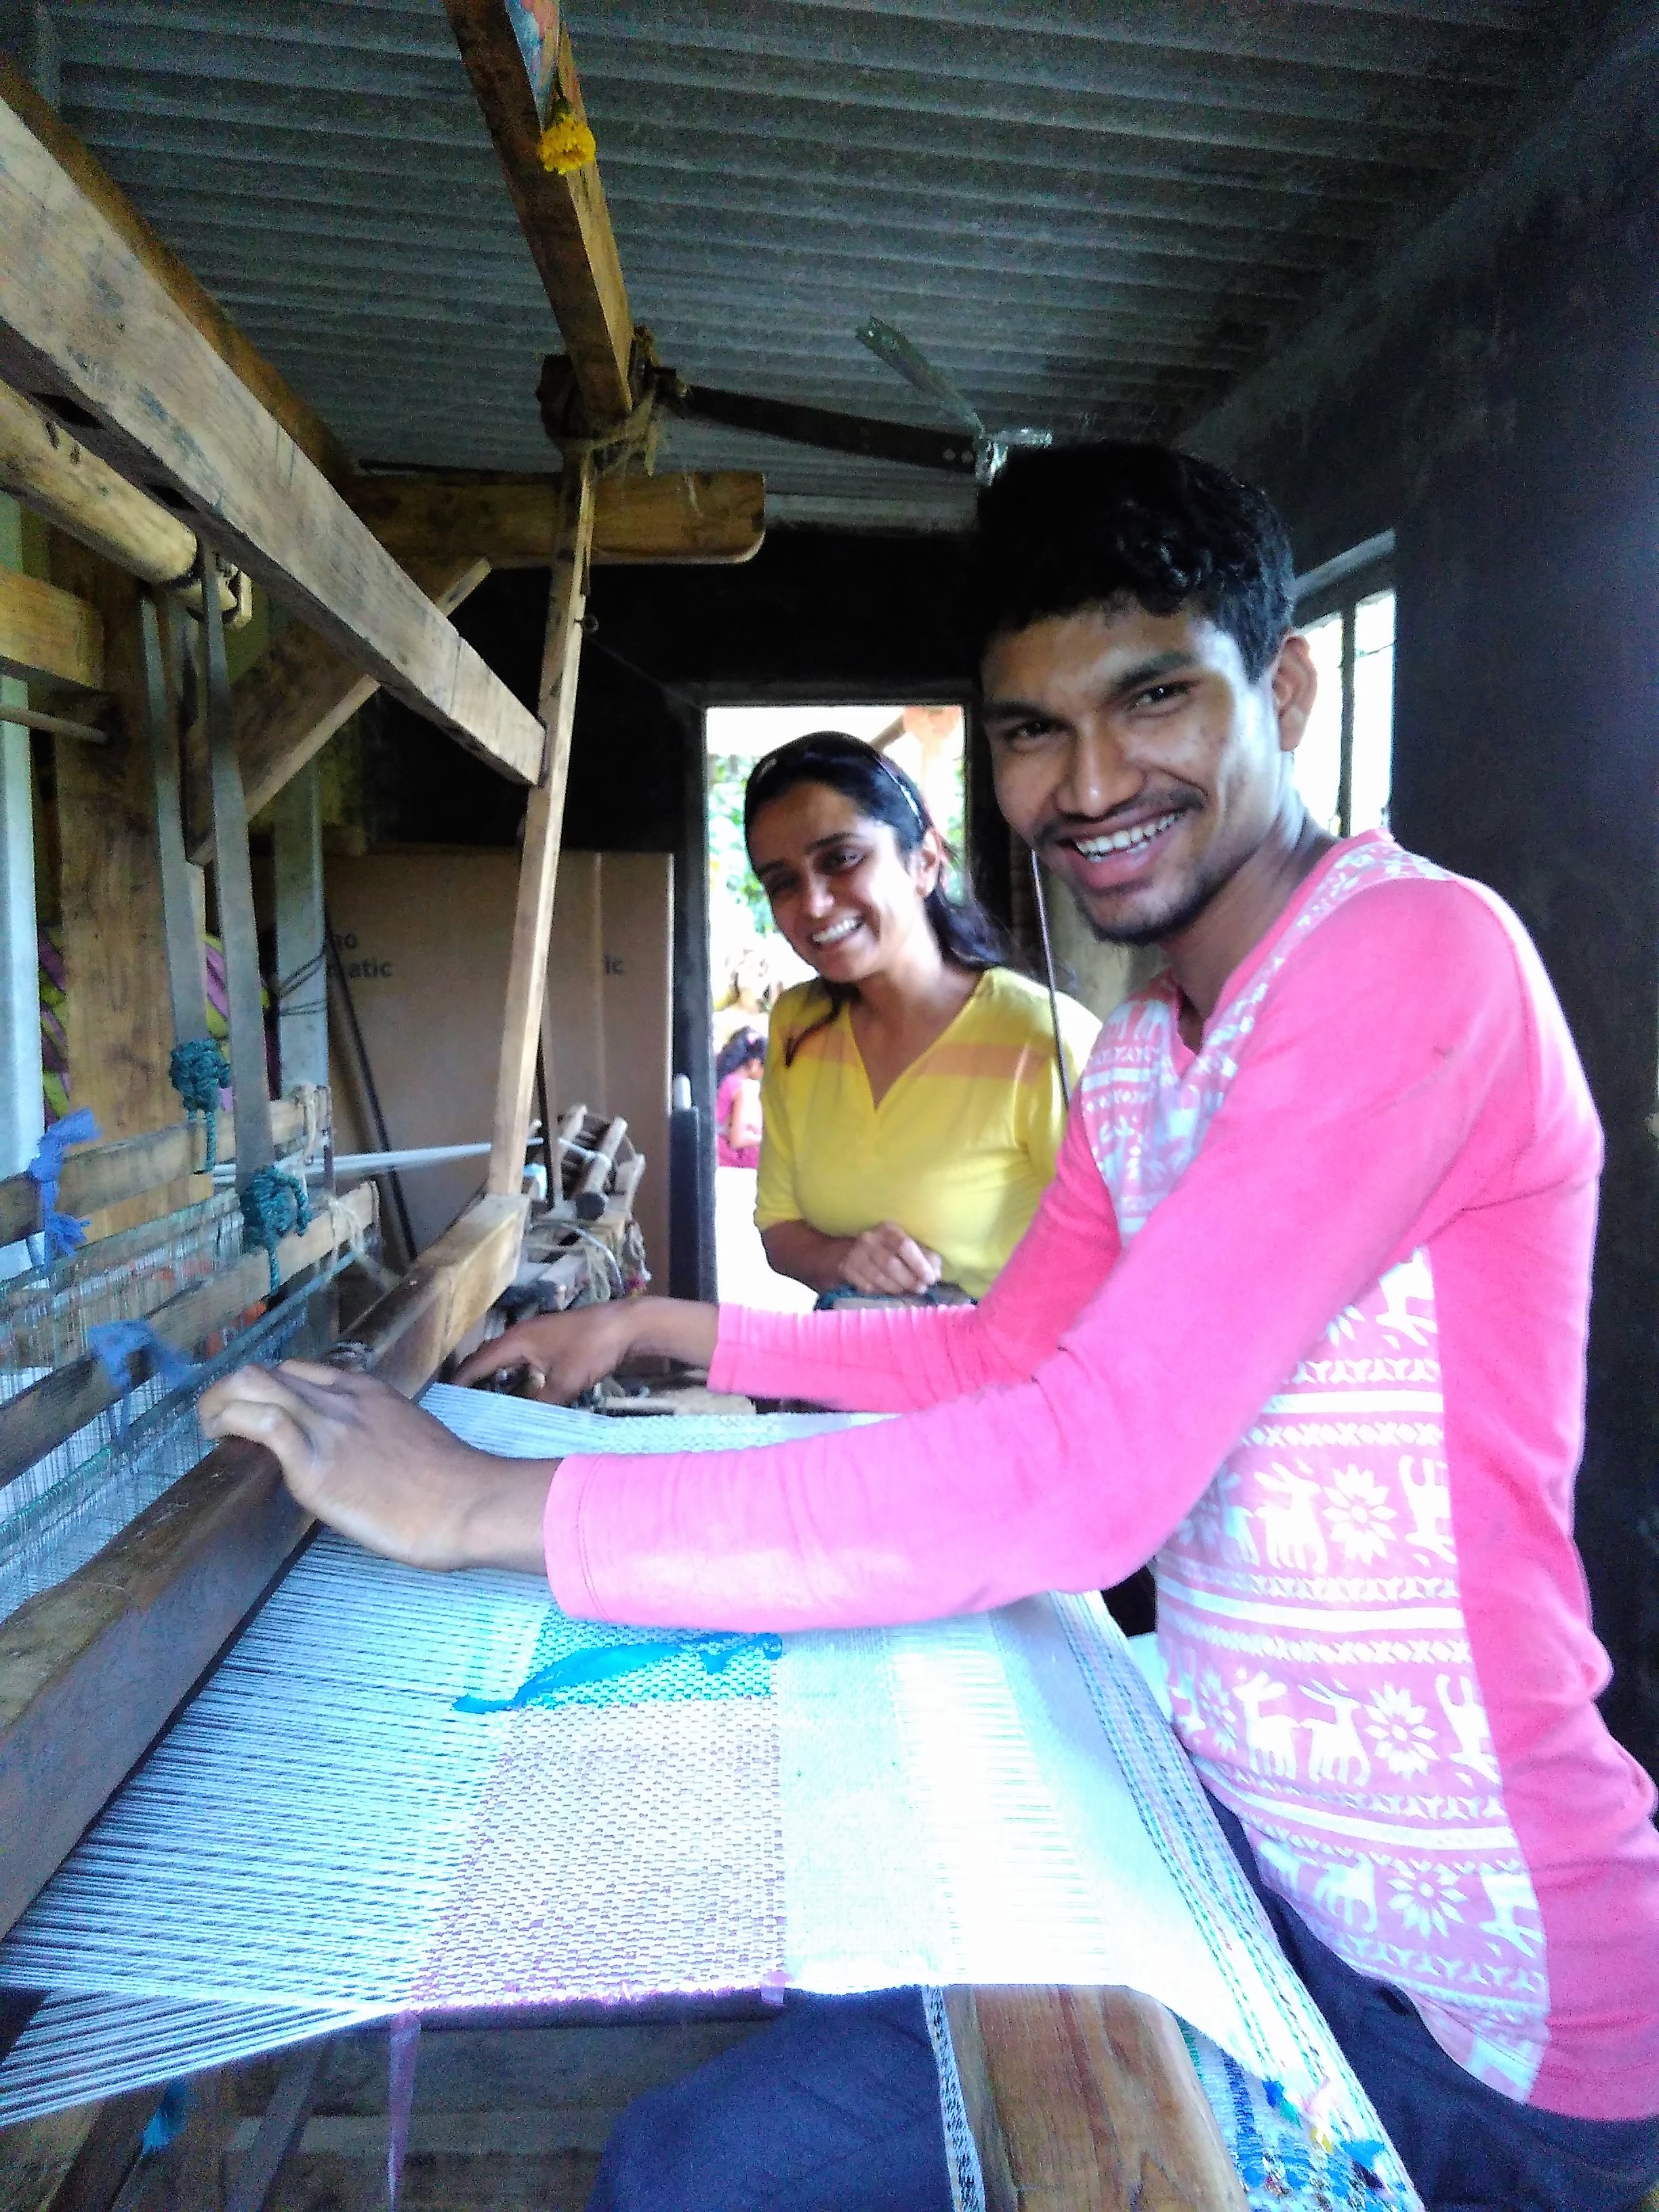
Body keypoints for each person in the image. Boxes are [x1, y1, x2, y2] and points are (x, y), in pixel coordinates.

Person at [200, 443, 1659, 2212]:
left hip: (1487, 2008)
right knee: (690, 2167)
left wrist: (486, 1509)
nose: (1090, 780)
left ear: (1284, 687)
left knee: (709, 2181)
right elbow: (1000, 1360)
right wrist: (659, 1326)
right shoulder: (1142, 1064)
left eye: (1153, 698)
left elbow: (1086, 1474)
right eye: (1035, 729)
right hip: (1226, 1881)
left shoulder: (1417, 961)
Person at [739, 732, 1098, 1301]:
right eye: (782, 883)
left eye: (842, 859)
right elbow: (779, 1229)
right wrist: (846, 1259)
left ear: (925, 861)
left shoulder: (1044, 1040)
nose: (812, 904)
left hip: (1018, 1379)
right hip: (858, 1375)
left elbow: (1128, 1267)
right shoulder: (797, 1024)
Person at [713, 1027, 766, 1169]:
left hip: (716, 1151)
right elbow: (738, 1139)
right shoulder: (744, 1088)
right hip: (727, 1157)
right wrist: (768, 1139)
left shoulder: (725, 1080)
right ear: (755, 1064)